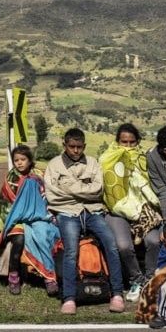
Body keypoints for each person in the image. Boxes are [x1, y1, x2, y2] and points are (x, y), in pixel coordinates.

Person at [45, 128, 125, 315]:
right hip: (67, 212)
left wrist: (68, 187)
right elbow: (53, 195)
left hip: (92, 211)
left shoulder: (93, 163)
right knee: (71, 251)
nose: (75, 151)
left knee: (111, 244)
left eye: (79, 147)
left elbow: (98, 189)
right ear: (64, 145)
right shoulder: (54, 165)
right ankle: (69, 297)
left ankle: (117, 293)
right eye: (71, 146)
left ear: (84, 146)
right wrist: (84, 189)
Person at [101, 123, 161, 303]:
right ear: (117, 141)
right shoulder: (107, 158)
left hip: (144, 209)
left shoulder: (146, 160)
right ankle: (137, 279)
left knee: (154, 241)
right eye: (124, 142)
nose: (127, 146)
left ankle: (150, 280)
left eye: (132, 142)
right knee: (123, 245)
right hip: (116, 209)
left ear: (138, 142)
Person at [0, 144, 60, 296]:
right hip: (15, 219)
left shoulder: (38, 175)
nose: (20, 163)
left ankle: (49, 277)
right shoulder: (11, 178)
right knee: (19, 239)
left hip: (39, 216)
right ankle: (13, 275)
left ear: (29, 160)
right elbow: (4, 202)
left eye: (23, 159)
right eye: (16, 160)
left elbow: (47, 197)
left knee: (42, 235)